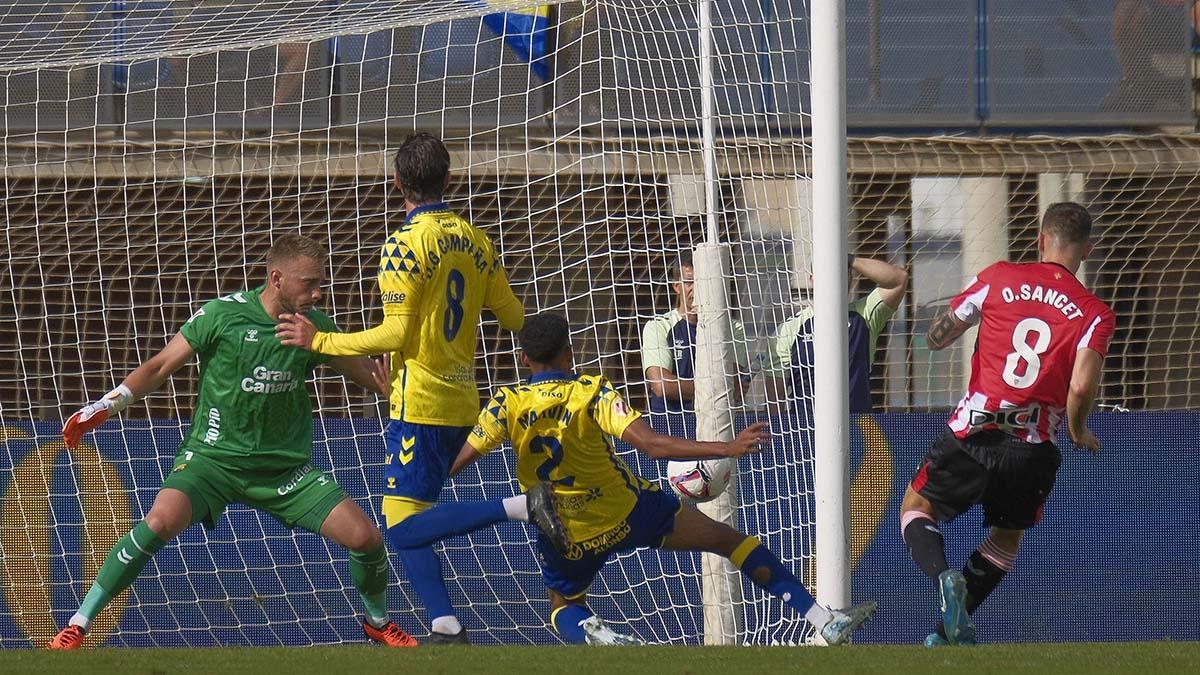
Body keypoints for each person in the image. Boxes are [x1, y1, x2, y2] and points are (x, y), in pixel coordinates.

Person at [390, 313, 877, 646]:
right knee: (728, 540)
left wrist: (419, 480)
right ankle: (822, 621)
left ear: (523, 359)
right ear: (570, 353)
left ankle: (594, 633)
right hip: (627, 512)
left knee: (563, 604)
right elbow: (653, 446)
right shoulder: (591, 391)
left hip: (564, 530)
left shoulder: (506, 403)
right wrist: (726, 448)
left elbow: (459, 461)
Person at [49, 234, 415, 650]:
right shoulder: (222, 315)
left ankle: (378, 623)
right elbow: (160, 366)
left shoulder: (314, 328)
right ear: (276, 279)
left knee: (367, 538)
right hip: (213, 462)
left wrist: (401, 387)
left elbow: (372, 377)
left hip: (284, 470)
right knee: (159, 522)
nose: (317, 293)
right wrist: (106, 404)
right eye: (309, 283)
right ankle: (78, 624)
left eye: (321, 284)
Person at [276, 132, 524, 644]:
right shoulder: (477, 240)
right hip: (464, 399)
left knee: (400, 526)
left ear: (396, 182)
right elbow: (514, 317)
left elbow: (396, 334)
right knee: (409, 517)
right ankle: (445, 625)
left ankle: (519, 506)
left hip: (421, 402)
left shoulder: (403, 245)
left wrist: (320, 340)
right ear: (448, 179)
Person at [899, 202, 1115, 646]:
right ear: (1087, 250)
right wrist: (1078, 430)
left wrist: (935, 336)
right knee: (1006, 537)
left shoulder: (998, 277)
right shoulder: (1095, 313)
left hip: (975, 429)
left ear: (1041, 239)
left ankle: (943, 578)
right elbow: (1080, 387)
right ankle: (945, 635)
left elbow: (941, 334)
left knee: (916, 507)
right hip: (1032, 446)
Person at [770, 255, 907, 415]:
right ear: (813, 280)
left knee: (882, 434)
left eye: (841, 271)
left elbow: (899, 279)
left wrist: (849, 259)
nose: (834, 278)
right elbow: (775, 403)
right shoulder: (789, 329)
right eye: (826, 272)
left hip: (860, 424)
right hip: (808, 427)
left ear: (850, 277)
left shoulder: (864, 314)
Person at [641, 252, 751, 427]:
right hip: (669, 424)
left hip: (715, 424)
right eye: (690, 282)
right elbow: (662, 386)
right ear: (677, 286)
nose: (697, 289)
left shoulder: (732, 328)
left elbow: (734, 386)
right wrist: (714, 387)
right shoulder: (658, 327)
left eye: (703, 282)